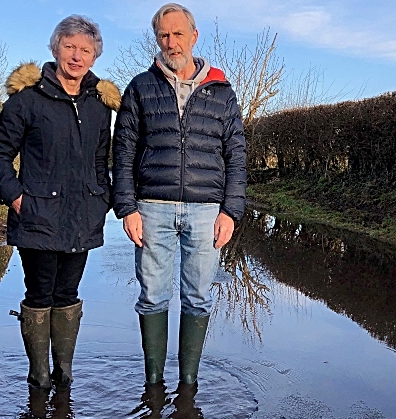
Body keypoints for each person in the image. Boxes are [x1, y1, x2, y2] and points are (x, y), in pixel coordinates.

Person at [112, 3, 247, 387]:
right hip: (151, 207)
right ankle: (154, 384)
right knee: (153, 296)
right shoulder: (140, 86)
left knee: (199, 298)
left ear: (194, 36)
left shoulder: (222, 91)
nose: (171, 43)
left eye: (177, 34)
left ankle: (188, 384)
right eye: (163, 36)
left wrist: (231, 211)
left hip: (207, 210)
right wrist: (126, 207)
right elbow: (122, 151)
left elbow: (236, 154)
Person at [0, 14, 120, 390]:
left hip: (84, 214)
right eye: (69, 47)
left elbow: (101, 159)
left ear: (94, 56)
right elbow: (0, 153)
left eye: (85, 50)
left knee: (68, 293)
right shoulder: (27, 99)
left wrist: (103, 198)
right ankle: (39, 376)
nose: (76, 56)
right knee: (39, 292)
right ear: (55, 48)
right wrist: (14, 196)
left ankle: (63, 373)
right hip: (37, 215)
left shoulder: (99, 105)